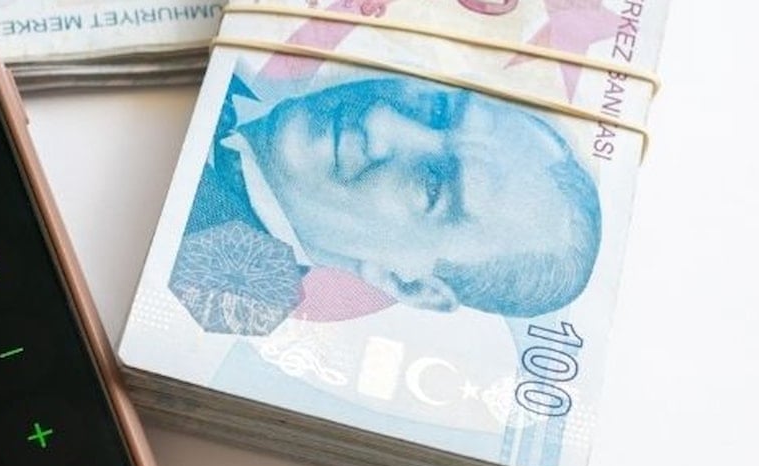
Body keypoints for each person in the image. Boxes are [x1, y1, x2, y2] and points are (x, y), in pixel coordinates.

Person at [170, 73, 602, 334]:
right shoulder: (232, 78)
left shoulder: (212, 290)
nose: (381, 119)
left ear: (409, 284)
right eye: (438, 110)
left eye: (432, 186)